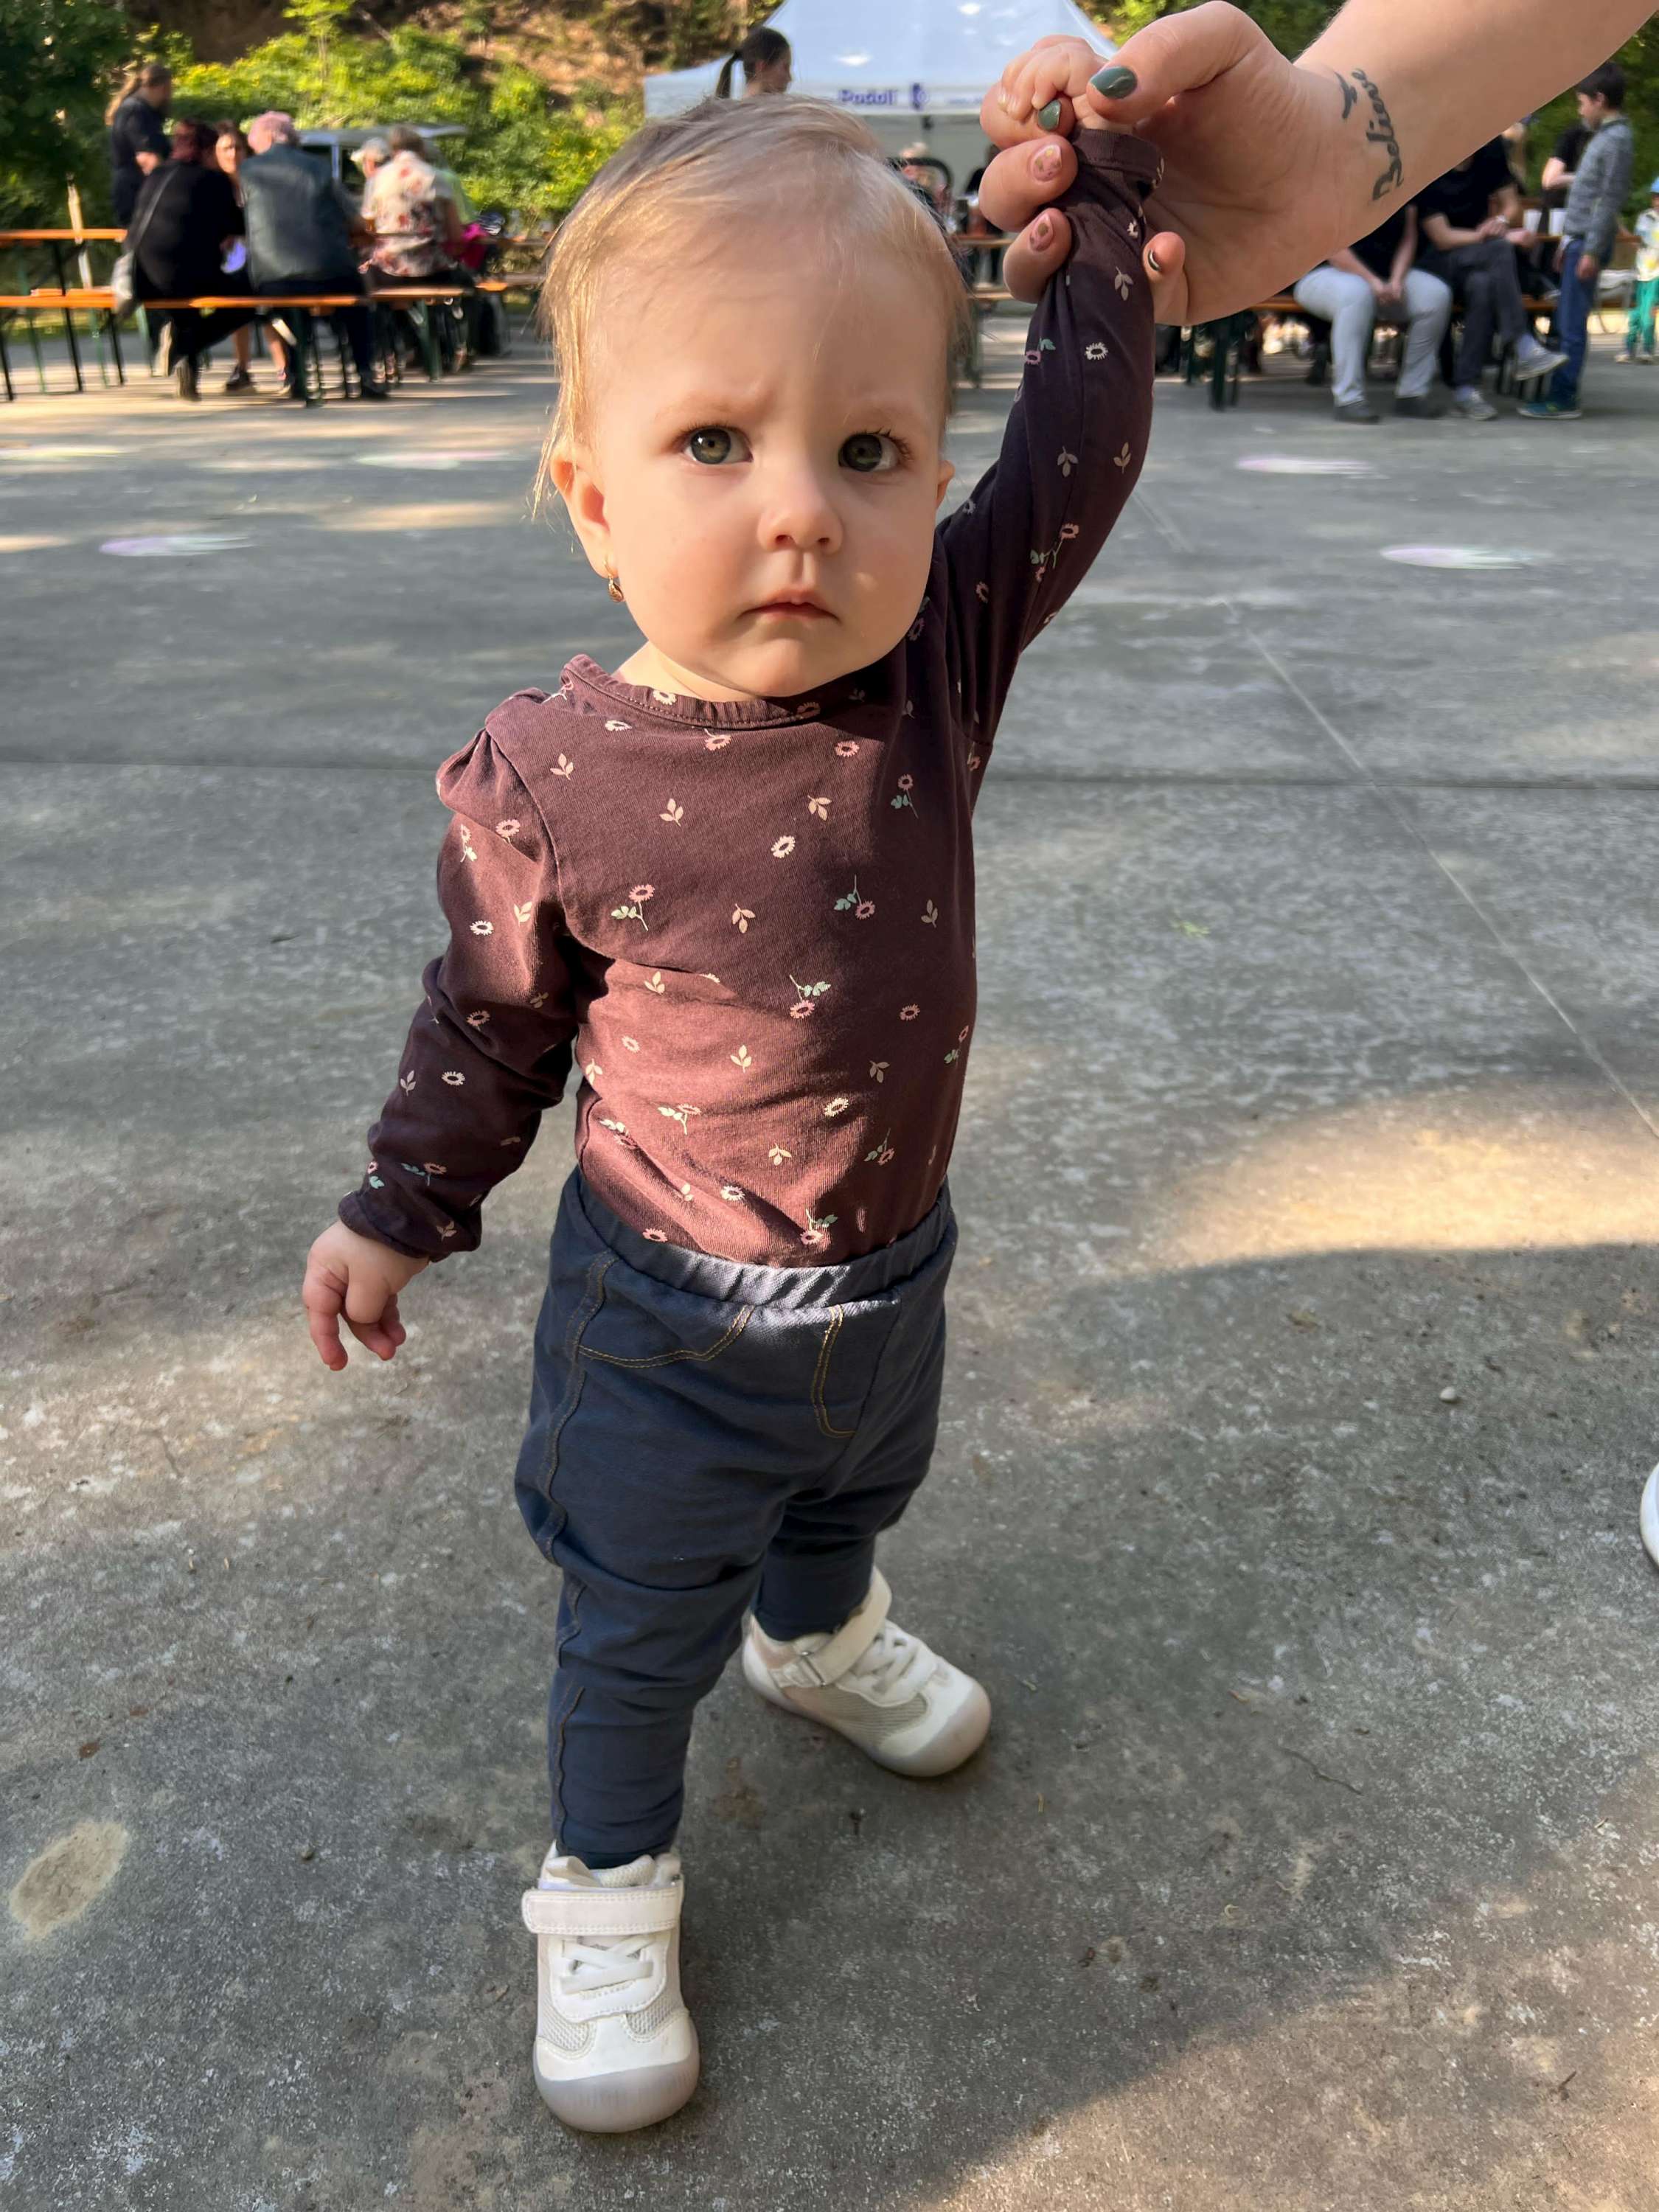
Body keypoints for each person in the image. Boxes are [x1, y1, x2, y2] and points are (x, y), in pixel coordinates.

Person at [300, 44, 1166, 2133]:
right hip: (668, 1316)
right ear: (594, 497)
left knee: (853, 1490)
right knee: (634, 1617)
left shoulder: (935, 663)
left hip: (885, 1267)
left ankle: (824, 1630)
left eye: (870, 448)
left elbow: (1075, 448)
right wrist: (401, 1206)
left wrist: (1109, 212)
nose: (801, 508)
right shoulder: (548, 774)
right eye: (714, 439)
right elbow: (488, 1021)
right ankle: (604, 1884)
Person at [1413, 137, 1566, 417]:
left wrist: (1501, 222)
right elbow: (1442, 238)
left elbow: (1513, 207)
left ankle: (1465, 389)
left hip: (1478, 257)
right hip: (1433, 261)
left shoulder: (1490, 149)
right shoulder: (1428, 160)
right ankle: (1521, 343)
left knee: (1483, 285)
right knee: (1500, 249)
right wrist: (1496, 237)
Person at [240, 112, 387, 402]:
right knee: (357, 302)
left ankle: (296, 375)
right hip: (329, 272)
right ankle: (365, 372)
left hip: (273, 278)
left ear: (266, 138)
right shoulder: (319, 168)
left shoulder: (247, 170)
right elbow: (354, 220)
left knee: (286, 312)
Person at [1523, 62, 1635, 421]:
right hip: (1578, 240)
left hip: (1588, 243)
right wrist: (1567, 241)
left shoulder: (1616, 141)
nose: (1580, 110)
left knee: (1571, 323)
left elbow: (1607, 201)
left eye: (1582, 103)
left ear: (1599, 100)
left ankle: (1564, 398)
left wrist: (1589, 250)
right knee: (1567, 318)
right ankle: (1562, 392)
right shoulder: (1605, 137)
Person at [128, 118, 251, 402]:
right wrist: (234, 183)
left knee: (186, 313)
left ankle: (187, 375)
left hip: (142, 277)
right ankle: (184, 348)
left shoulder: (158, 174)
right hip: (182, 277)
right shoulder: (212, 180)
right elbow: (239, 226)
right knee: (249, 300)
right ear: (207, 151)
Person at [1293, 203, 1452, 420]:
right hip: (1323, 273)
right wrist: (1372, 281)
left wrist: (1397, 280)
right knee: (1357, 293)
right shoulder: (1340, 188)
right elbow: (1335, 251)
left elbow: (1408, 239)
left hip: (1382, 277)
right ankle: (1348, 399)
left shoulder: (1404, 188)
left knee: (1436, 294)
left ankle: (1412, 395)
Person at [362, 125, 479, 363]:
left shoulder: (377, 179)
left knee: (380, 293)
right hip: (432, 270)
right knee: (470, 285)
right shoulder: (435, 176)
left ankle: (404, 347)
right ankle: (464, 346)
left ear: (393, 150)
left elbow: (368, 227)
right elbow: (456, 234)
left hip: (389, 271)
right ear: (421, 149)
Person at [210, 120, 260, 394]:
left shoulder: (258, 183)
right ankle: (242, 367)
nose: (233, 154)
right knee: (236, 291)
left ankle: (285, 368)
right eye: (226, 149)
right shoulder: (212, 186)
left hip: (262, 254)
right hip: (228, 260)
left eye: (238, 148)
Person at [107, 64, 172, 226]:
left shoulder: (138, 110)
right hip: (138, 194)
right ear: (163, 88)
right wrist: (171, 193)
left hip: (136, 190)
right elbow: (147, 158)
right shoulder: (136, 111)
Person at [1616, 175, 1659, 363]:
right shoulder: (1645, 218)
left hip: (1656, 276)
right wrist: (1619, 226)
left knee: (1648, 313)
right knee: (1635, 314)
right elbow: (1637, 243)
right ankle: (1629, 348)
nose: (1658, 201)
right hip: (1641, 274)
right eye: (1655, 196)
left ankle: (1648, 349)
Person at [714, 26, 791, 98]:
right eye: (785, 67)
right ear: (762, 67)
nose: (790, 78)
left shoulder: (733, 108)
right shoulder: (777, 108)